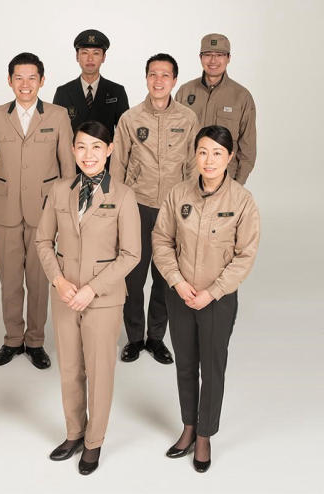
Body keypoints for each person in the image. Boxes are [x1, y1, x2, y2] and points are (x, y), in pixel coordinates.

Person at [35, 121, 140, 475]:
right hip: (65, 295)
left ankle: (94, 442)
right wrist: (58, 281)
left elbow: (131, 254)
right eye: (81, 147)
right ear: (73, 150)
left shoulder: (123, 196)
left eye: (97, 147)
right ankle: (74, 433)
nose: (88, 154)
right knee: (69, 369)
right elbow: (43, 241)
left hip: (102, 299)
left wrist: (91, 289)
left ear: (109, 150)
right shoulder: (59, 190)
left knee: (99, 372)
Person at [153, 125, 259, 473]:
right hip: (180, 295)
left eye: (217, 153)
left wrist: (212, 292)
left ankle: (204, 434)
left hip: (218, 299)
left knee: (211, 368)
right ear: (194, 155)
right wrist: (177, 282)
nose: (209, 160)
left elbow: (245, 256)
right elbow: (162, 241)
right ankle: (188, 426)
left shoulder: (242, 201)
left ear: (230, 157)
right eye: (202, 152)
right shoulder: (178, 194)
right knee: (185, 363)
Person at [0, 52, 75, 369]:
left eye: (32, 77)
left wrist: (65, 216)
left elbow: (68, 170)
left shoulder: (58, 116)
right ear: (9, 81)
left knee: (39, 281)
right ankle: (12, 339)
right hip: (4, 211)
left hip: (44, 213)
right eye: (18, 77)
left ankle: (35, 341)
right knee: (9, 281)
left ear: (42, 81)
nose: (25, 84)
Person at [109, 53, 199, 365]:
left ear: (174, 80)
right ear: (146, 78)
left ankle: (156, 338)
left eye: (165, 75)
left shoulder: (187, 119)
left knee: (165, 277)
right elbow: (118, 165)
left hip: (173, 210)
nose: (158, 80)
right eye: (153, 74)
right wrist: (115, 209)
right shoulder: (130, 119)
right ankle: (135, 338)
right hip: (137, 206)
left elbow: (193, 166)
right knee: (133, 277)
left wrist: (191, 206)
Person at [176, 34, 257, 184]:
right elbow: (174, 140)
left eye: (219, 55)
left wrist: (236, 185)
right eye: (208, 54)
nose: (213, 61)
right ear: (200, 57)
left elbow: (248, 149)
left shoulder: (242, 97)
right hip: (188, 181)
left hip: (225, 181)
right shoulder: (185, 92)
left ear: (228, 58)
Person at [52, 30, 129, 139]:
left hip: (106, 150)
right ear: (77, 56)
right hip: (73, 150)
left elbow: (125, 135)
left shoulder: (117, 91)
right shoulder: (63, 92)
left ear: (103, 57)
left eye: (96, 53)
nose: (90, 59)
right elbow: (56, 134)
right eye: (85, 53)